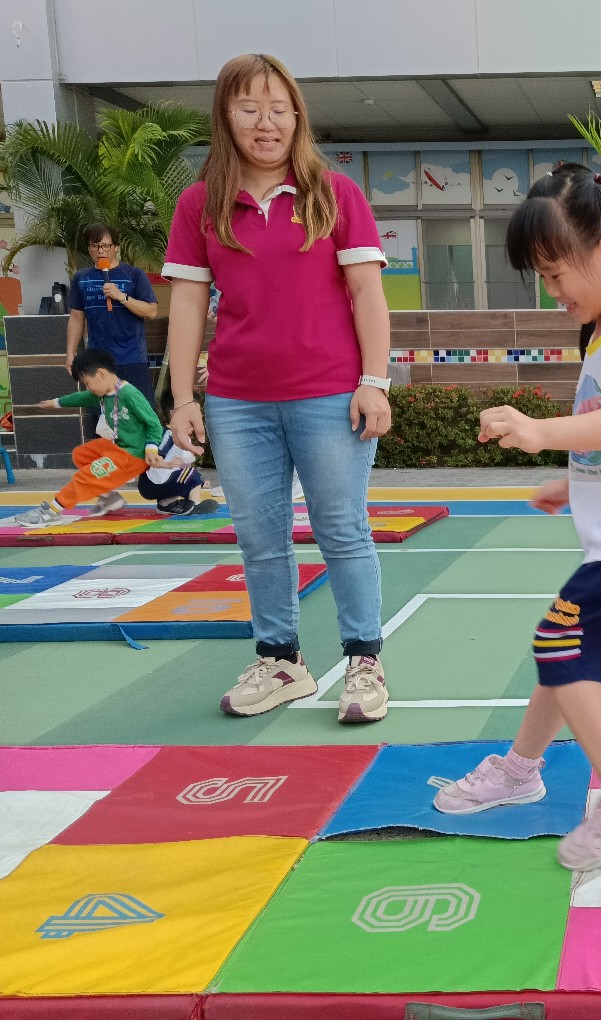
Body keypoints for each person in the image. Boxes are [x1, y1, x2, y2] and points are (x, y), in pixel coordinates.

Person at [431, 163, 601, 872]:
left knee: (558, 644)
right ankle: (521, 769)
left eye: (555, 274)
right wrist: (574, 482)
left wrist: (541, 431)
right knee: (562, 653)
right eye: (543, 278)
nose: (553, 291)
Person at [162, 53, 393, 723]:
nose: (266, 124)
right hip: (238, 402)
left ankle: (365, 664)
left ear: (297, 116)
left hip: (330, 395)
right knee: (259, 538)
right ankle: (282, 661)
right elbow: (187, 304)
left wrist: (374, 382)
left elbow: (367, 293)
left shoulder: (334, 194)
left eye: (278, 109)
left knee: (342, 529)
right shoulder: (199, 204)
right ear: (225, 117)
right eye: (249, 109)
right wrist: (184, 399)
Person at [14, 349, 172, 526]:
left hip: (133, 455)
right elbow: (80, 398)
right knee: (82, 454)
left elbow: (154, 423)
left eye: (87, 383)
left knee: (89, 475)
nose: (88, 388)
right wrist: (56, 403)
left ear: (101, 374)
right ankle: (109, 496)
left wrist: (151, 449)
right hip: (119, 447)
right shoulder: (104, 394)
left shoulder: (129, 394)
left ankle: (52, 511)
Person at [65, 224, 158, 437]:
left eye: (106, 246)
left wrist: (121, 297)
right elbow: (77, 317)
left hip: (131, 356)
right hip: (98, 361)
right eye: (95, 246)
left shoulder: (133, 275)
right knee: (102, 420)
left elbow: (151, 311)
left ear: (116, 247)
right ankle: (107, 458)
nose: (101, 251)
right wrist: (70, 354)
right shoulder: (81, 278)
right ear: (89, 248)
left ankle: (145, 457)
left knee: (140, 414)